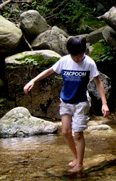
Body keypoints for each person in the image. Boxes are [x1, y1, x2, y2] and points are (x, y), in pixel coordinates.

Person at [23, 36, 109, 173]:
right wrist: (33, 80)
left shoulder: (89, 63)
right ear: (70, 53)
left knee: (78, 134)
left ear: (84, 51)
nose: (78, 59)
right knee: (65, 132)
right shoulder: (64, 61)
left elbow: (98, 82)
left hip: (81, 102)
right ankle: (76, 157)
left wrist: (104, 104)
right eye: (74, 56)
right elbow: (49, 71)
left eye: (80, 55)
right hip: (66, 101)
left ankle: (80, 164)